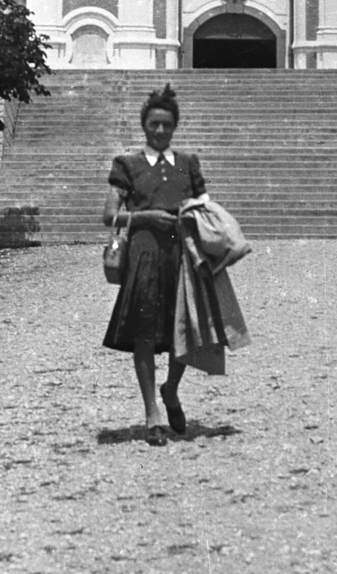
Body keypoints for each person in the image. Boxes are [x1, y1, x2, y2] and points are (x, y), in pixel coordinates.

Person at [102, 83, 206, 445]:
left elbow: (205, 209)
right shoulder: (127, 165)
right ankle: (152, 414)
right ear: (144, 125)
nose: (160, 131)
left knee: (184, 332)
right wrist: (146, 218)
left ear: (174, 127)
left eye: (166, 125)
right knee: (144, 334)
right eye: (153, 125)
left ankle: (171, 389)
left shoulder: (188, 164)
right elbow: (108, 215)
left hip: (181, 254)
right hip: (144, 255)